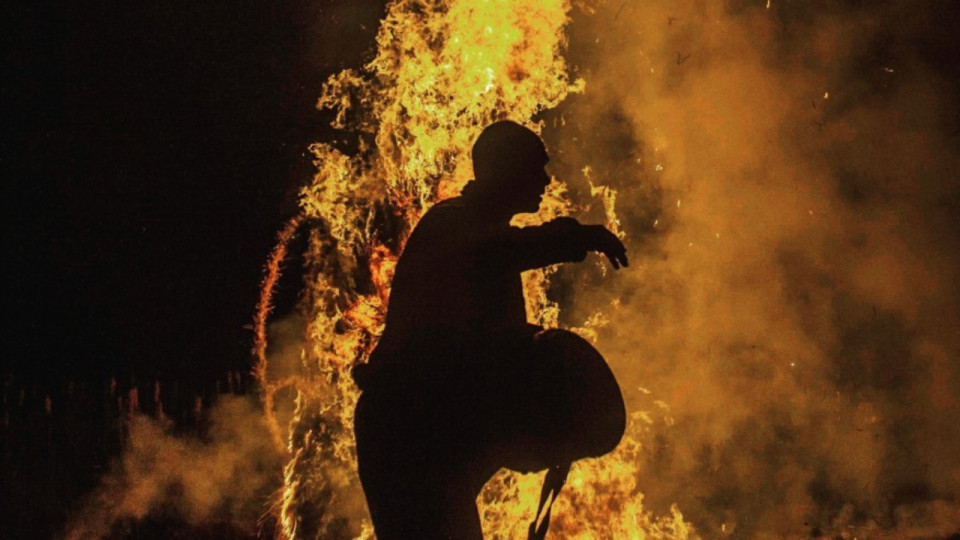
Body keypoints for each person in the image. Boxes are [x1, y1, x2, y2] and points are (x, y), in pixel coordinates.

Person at [353, 120, 627, 539]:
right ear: (504, 169)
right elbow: (500, 252)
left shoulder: (478, 238)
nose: (545, 180)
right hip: (407, 430)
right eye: (535, 168)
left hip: (430, 430)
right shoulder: (452, 224)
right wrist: (576, 236)